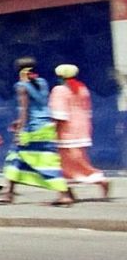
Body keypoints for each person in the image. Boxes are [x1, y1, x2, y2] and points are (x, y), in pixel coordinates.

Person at [0, 58, 69, 206]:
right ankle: (8, 193)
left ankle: (64, 194)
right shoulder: (42, 82)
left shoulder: (21, 86)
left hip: (33, 128)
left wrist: (20, 131)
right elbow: (40, 104)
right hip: (46, 126)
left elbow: (24, 110)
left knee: (15, 156)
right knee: (46, 160)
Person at [49, 63, 111, 201]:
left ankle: (98, 179)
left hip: (66, 132)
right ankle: (67, 192)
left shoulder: (59, 90)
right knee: (73, 161)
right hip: (82, 130)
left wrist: (51, 129)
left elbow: (59, 114)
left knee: (69, 163)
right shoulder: (82, 89)